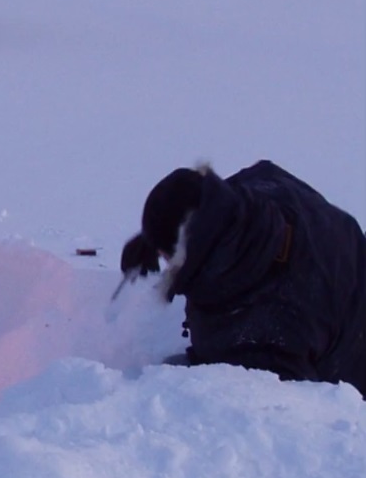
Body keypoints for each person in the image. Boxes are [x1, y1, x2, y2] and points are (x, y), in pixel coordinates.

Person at [119, 161, 366, 398]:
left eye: (166, 255)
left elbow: (282, 410)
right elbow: (208, 207)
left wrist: (192, 373)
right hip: (348, 261)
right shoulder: (263, 188)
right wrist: (155, 238)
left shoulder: (265, 333)